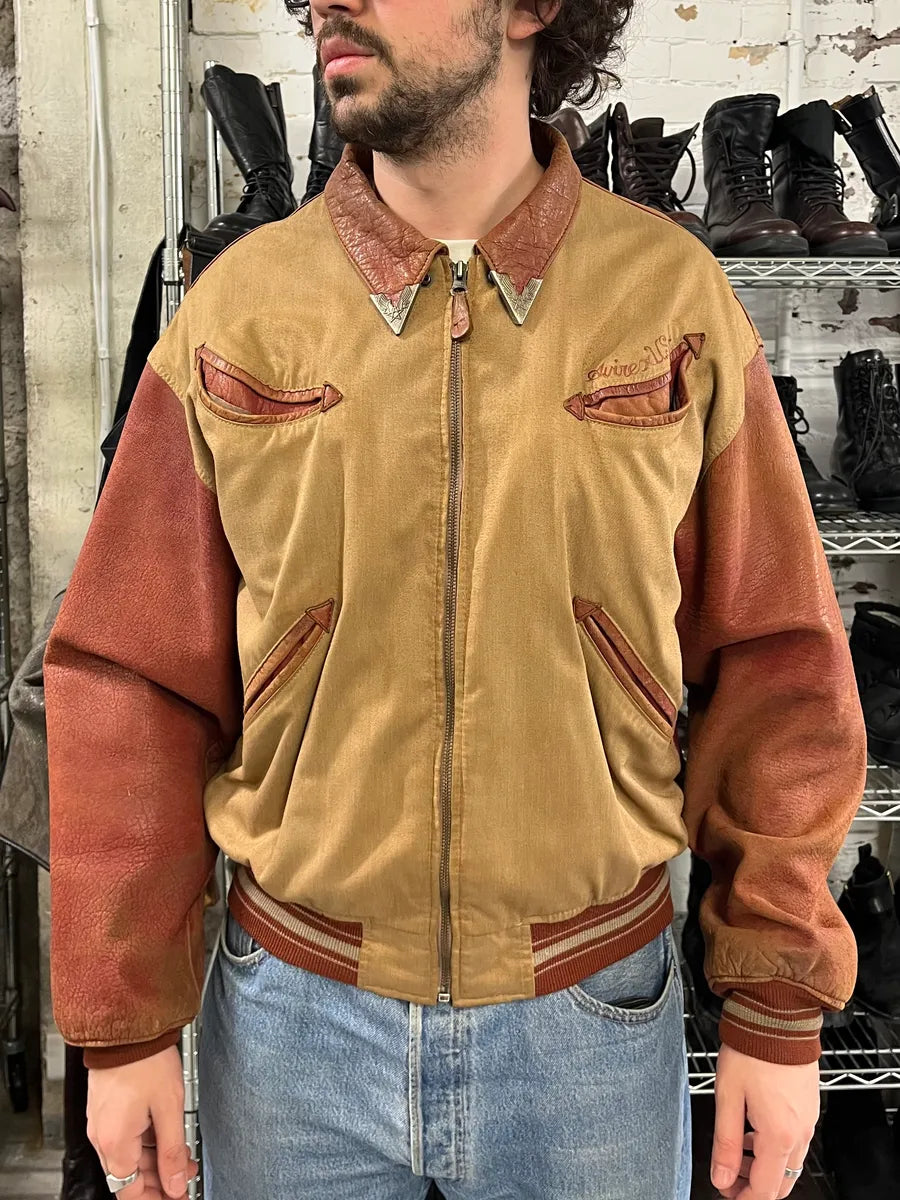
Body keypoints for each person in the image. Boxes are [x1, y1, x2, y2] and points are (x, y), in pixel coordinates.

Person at [43, 2, 868, 1198]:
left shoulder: (667, 298)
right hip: (291, 1032)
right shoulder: (240, 308)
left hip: (590, 1023)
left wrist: (777, 1003)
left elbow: (779, 660)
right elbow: (131, 681)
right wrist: (124, 1027)